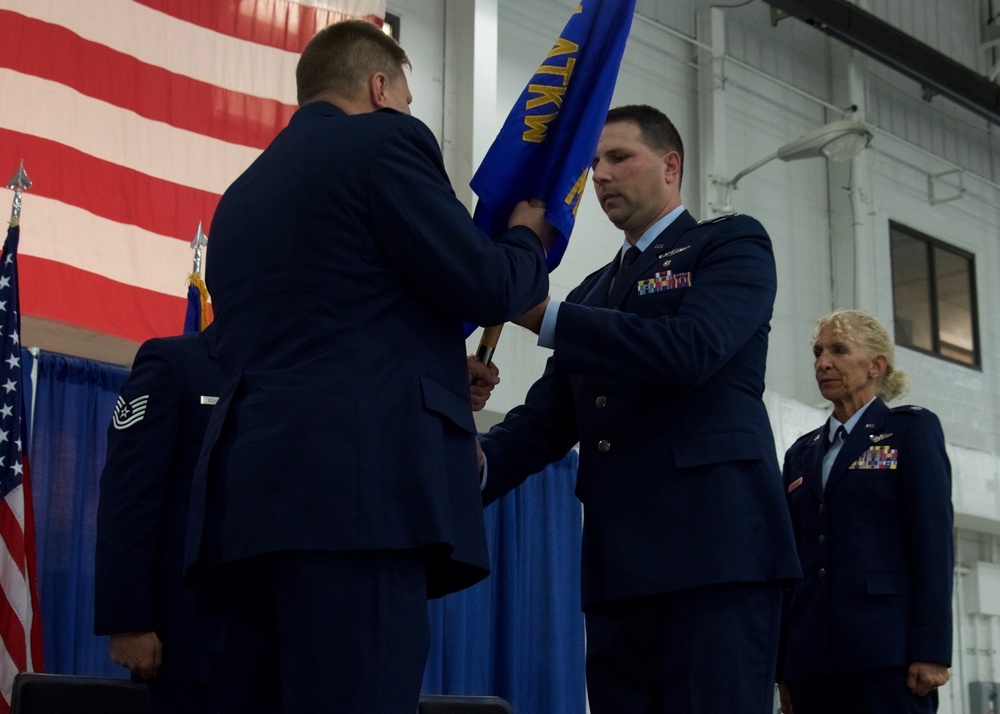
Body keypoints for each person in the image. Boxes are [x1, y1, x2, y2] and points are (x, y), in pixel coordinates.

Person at [183, 19, 553, 714]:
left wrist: (439, 371)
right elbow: (484, 284)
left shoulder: (239, 199)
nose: (411, 115)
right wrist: (526, 243)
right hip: (358, 501)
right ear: (380, 88)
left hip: (250, 506)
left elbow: (318, 327)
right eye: (410, 100)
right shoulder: (386, 140)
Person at [478, 104, 801, 713]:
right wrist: (471, 466)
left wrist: (545, 316)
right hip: (618, 567)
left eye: (619, 157)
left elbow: (691, 350)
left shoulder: (731, 244)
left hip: (714, 556)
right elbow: (548, 420)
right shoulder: (591, 291)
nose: (600, 175)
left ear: (670, 165)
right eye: (594, 162)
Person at [778, 309, 953, 714]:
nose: (823, 363)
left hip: (886, 655)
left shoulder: (910, 431)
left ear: (876, 365)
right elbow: (790, 562)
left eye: (839, 350)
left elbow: (933, 543)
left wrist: (932, 648)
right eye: (818, 352)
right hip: (811, 661)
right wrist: (783, 663)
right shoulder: (801, 453)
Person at [94, 324, 221, 714]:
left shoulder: (283, 374)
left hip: (267, 643)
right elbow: (129, 496)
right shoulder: (174, 363)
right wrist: (128, 620)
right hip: (187, 645)